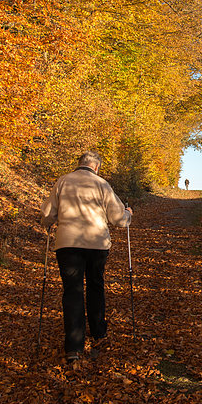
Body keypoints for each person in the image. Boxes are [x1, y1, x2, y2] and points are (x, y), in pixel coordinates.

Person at [40, 151, 133, 364]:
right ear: (96, 167)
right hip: (96, 244)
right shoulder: (102, 184)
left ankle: (73, 346)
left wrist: (48, 223)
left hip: (68, 244)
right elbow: (119, 219)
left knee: (72, 291)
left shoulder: (63, 181)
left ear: (79, 164)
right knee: (95, 285)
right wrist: (128, 213)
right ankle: (99, 331)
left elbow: (47, 215)